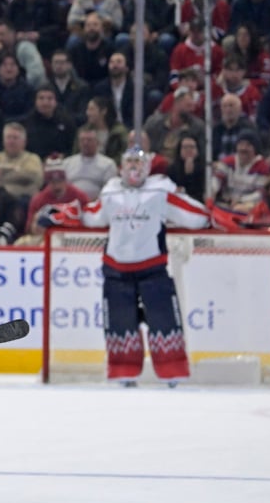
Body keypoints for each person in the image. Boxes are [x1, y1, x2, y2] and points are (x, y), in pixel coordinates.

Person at [46, 146, 211, 383]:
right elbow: (93, 216)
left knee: (164, 320)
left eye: (139, 162)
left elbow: (191, 213)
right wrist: (66, 214)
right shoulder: (111, 191)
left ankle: (172, 370)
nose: (134, 167)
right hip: (116, 269)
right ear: (121, 167)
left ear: (148, 166)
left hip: (152, 268)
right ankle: (123, 371)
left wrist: (208, 216)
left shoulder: (160, 188)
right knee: (119, 323)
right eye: (129, 162)